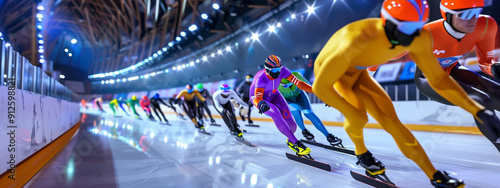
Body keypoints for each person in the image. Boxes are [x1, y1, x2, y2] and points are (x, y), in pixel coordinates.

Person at [312, 0, 499, 187]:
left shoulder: (419, 36)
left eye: (419, 26)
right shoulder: (357, 40)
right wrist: (346, 108)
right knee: (358, 115)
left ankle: (435, 176)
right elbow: (319, 87)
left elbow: (438, 80)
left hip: (358, 72)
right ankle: (362, 152)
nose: (413, 35)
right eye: (407, 27)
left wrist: (476, 110)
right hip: (335, 75)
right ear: (387, 22)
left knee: (394, 124)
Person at [412, 0, 500, 152]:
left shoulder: (486, 25)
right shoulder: (426, 34)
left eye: (476, 12)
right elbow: (387, 54)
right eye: (465, 14)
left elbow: (485, 61)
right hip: (428, 78)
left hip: (452, 69)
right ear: (447, 15)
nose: (473, 19)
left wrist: (493, 68)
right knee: (480, 100)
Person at [250, 55, 315, 158]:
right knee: (275, 112)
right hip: (260, 98)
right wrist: (260, 104)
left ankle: (290, 140)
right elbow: (257, 97)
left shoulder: (283, 70)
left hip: (275, 94)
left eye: (279, 69)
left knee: (292, 125)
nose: (278, 72)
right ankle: (297, 144)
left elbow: (299, 84)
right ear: (267, 70)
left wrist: (315, 90)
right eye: (275, 70)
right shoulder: (260, 78)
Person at [278, 71, 342, 146]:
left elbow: (312, 88)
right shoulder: (275, 84)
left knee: (308, 113)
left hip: (299, 95)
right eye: (285, 85)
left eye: (291, 84)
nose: (289, 87)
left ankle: (329, 136)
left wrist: (325, 98)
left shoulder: (298, 76)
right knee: (295, 109)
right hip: (286, 100)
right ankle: (304, 131)